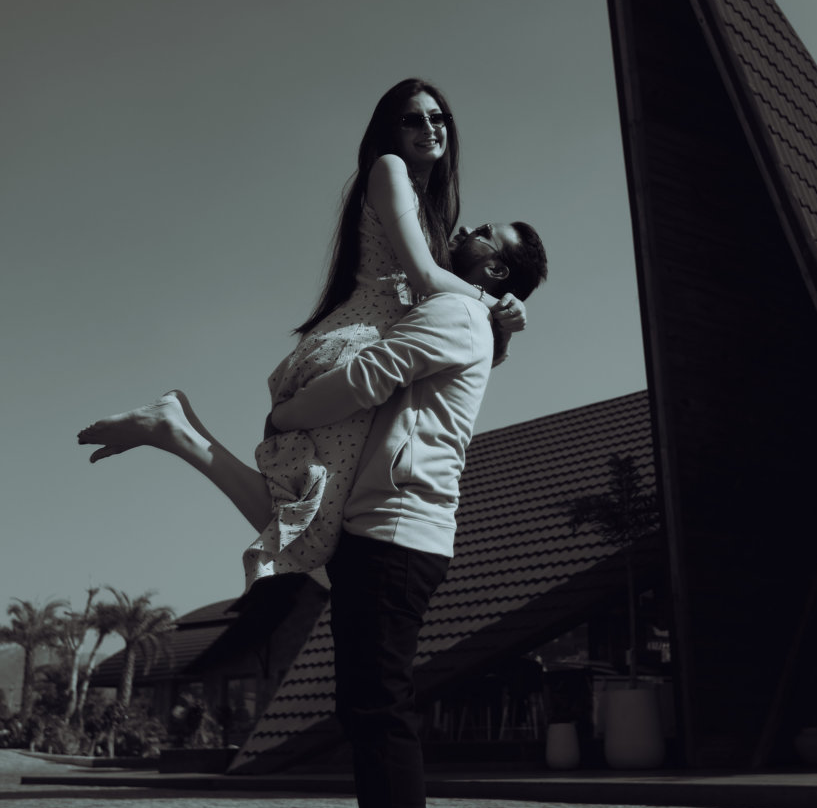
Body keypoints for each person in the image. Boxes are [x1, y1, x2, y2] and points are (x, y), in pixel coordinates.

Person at [77, 79, 526, 589]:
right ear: (390, 131)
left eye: (437, 118)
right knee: (314, 534)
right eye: (413, 119)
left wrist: (496, 321)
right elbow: (424, 279)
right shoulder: (390, 169)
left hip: (369, 343)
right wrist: (495, 305)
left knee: (315, 522)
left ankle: (175, 429)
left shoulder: (427, 205)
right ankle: (176, 432)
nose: (429, 128)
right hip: (357, 346)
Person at [274, 219, 548, 808]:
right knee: (364, 711)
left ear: (495, 273)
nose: (467, 226)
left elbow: (372, 376)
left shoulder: (459, 309)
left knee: (382, 712)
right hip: (383, 527)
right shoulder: (472, 313)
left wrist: (284, 415)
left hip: (400, 529)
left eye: (488, 232)